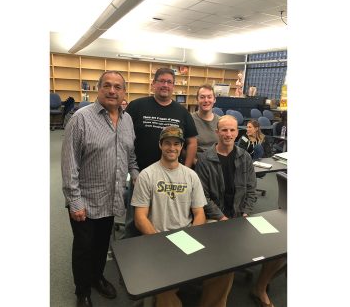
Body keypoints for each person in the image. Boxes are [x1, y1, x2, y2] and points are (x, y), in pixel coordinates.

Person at [132, 125, 234, 307]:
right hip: (158, 238)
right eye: (167, 143)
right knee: (163, 285)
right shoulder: (147, 175)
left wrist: (192, 238)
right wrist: (160, 241)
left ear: (181, 147)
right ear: (160, 145)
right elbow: (140, 217)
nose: (172, 148)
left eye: (176, 144)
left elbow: (199, 212)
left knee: (226, 270)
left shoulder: (191, 175)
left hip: (187, 236)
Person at [61, 71, 139, 307]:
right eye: (107, 85)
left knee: (102, 244)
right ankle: (82, 291)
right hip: (85, 199)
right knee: (84, 248)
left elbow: (131, 155)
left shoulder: (127, 120)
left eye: (117, 87)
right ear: (99, 88)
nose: (112, 91)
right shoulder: (81, 119)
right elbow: (69, 163)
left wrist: (136, 175)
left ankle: (97, 277)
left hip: (112, 197)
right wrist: (75, 201)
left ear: (124, 92)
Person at [195, 115, 285, 307]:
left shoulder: (244, 157)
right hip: (215, 219)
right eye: (224, 130)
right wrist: (222, 217)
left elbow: (251, 190)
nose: (228, 134)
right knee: (226, 262)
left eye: (232, 130)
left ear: (237, 132)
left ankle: (259, 287)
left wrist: (245, 212)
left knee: (280, 245)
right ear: (217, 132)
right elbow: (203, 197)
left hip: (242, 216)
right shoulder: (204, 160)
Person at [124, 67, 198, 237]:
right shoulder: (137, 106)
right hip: (139, 173)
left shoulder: (182, 112)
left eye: (169, 82)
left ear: (173, 86)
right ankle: (128, 254)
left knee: (162, 218)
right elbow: (123, 140)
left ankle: (160, 251)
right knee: (133, 220)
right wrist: (132, 171)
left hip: (170, 176)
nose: (165, 85)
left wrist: (184, 170)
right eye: (161, 81)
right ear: (153, 84)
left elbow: (192, 142)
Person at [191, 84, 220, 162]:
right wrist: (196, 163)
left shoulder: (220, 121)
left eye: (209, 97)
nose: (206, 100)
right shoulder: (189, 120)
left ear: (214, 99)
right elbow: (182, 148)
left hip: (216, 165)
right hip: (196, 165)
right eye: (202, 97)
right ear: (197, 99)